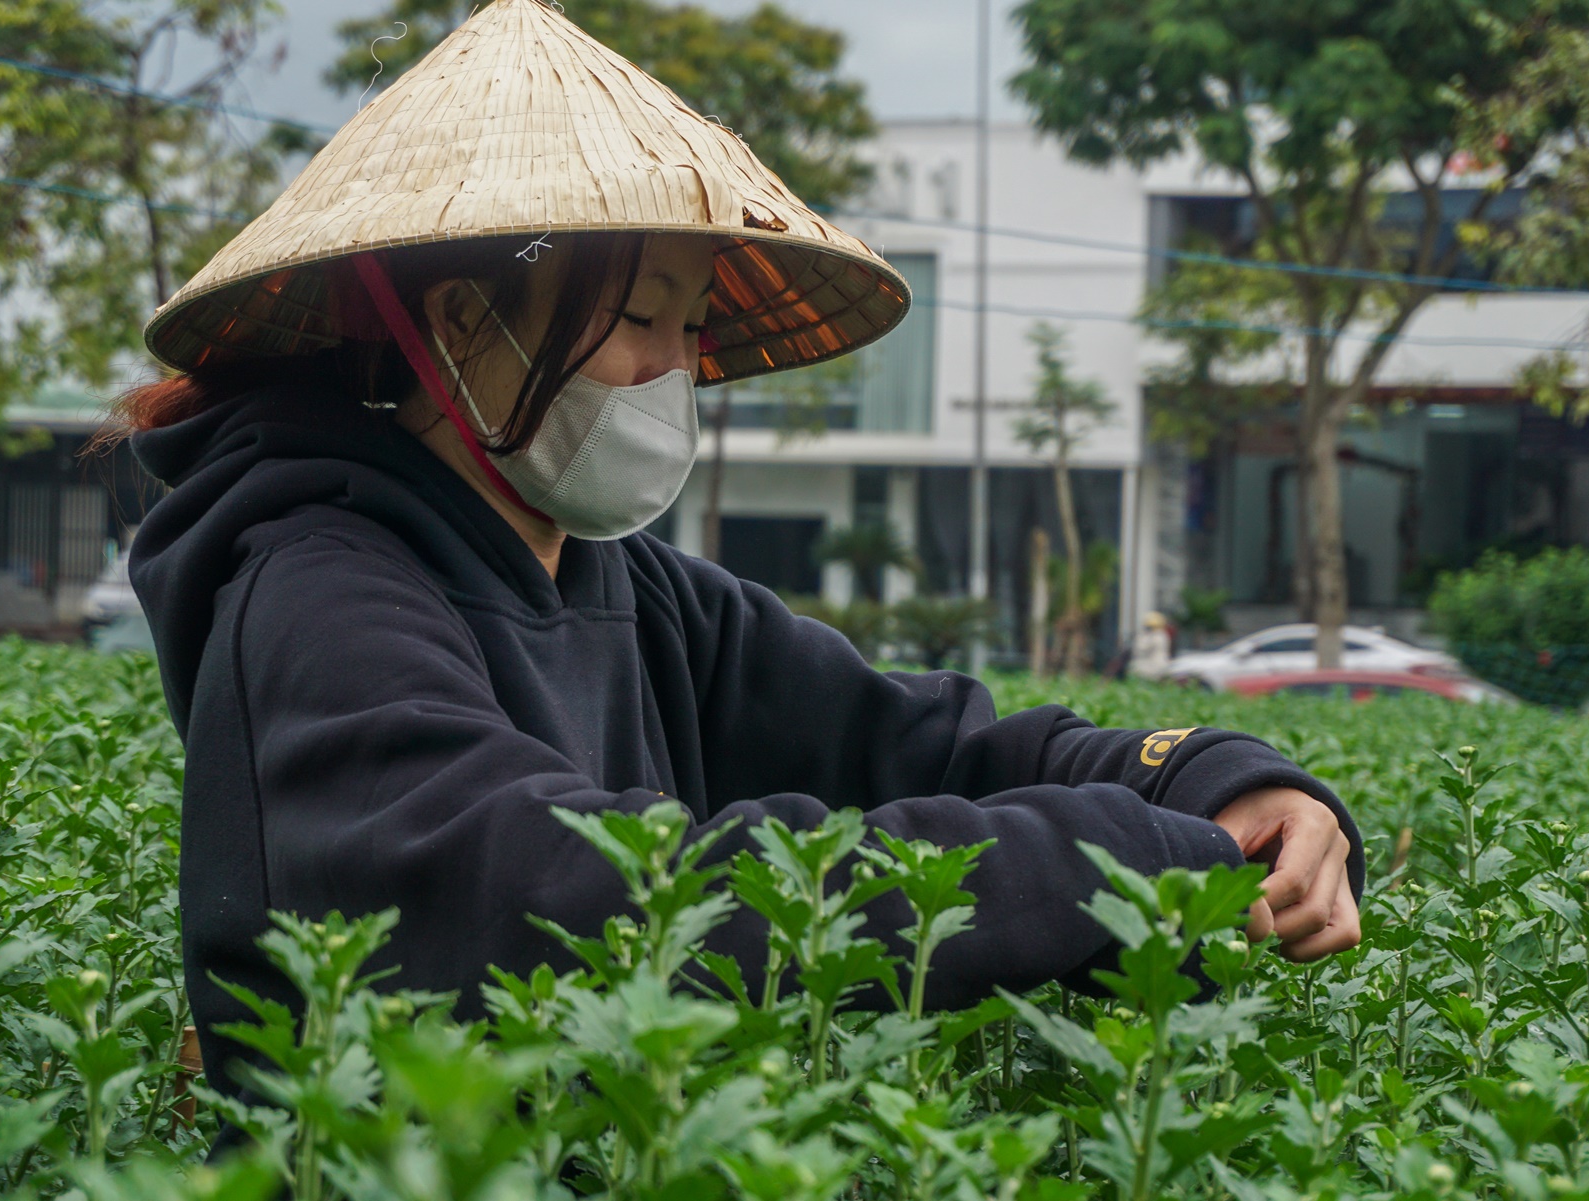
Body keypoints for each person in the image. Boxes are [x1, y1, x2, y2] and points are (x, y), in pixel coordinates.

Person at [112, 0, 1365, 1123]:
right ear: (459, 320)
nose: (676, 370)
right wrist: (1119, 856)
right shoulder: (319, 589)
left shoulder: (632, 589)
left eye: (690, 324)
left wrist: (1214, 779)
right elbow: (579, 899)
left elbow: (925, 741)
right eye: (640, 315)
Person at [1130, 611, 1175, 680]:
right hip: (1160, 664)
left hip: (1153, 666)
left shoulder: (1156, 635)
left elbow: (1141, 647)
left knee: (1135, 668)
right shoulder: (1163, 635)